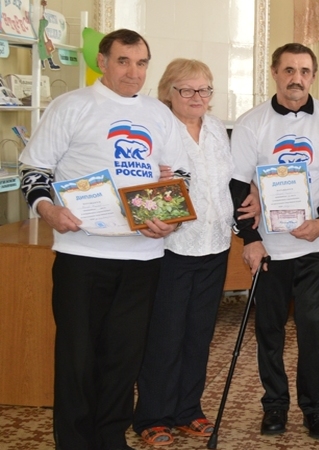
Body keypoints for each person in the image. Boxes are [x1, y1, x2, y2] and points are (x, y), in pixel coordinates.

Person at [17, 29, 189, 450]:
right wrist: (48, 210)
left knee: (124, 358)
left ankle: (111, 439)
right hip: (82, 254)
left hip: (144, 257)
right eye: (123, 61)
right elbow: (34, 170)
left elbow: (181, 175)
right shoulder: (71, 106)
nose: (134, 72)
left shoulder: (159, 114)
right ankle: (75, 443)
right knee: (77, 357)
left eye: (142, 63)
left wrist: (170, 220)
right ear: (103, 62)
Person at [229, 42, 319, 440]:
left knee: (314, 330)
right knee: (269, 329)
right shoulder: (251, 123)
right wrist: (250, 239)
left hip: (318, 246)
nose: (296, 78)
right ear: (274, 73)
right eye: (288, 70)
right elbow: (236, 187)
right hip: (270, 248)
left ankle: (316, 408)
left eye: (304, 71)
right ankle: (274, 405)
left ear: (313, 76)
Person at [131, 58, 259, 446]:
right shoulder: (157, 129)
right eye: (186, 89)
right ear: (167, 92)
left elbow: (233, 179)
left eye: (204, 89)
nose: (196, 96)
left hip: (214, 244)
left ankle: (188, 409)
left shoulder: (217, 128)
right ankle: (153, 415)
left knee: (199, 334)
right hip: (171, 247)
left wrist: (253, 193)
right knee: (165, 335)